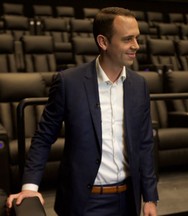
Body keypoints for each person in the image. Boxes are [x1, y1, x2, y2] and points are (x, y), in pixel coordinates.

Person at [6, 7, 159, 216]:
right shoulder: (69, 83)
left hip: (128, 199)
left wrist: (150, 197)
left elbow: (145, 142)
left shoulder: (139, 85)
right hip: (85, 202)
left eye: (137, 38)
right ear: (103, 42)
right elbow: (43, 137)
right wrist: (30, 188)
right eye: (127, 39)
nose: (136, 46)